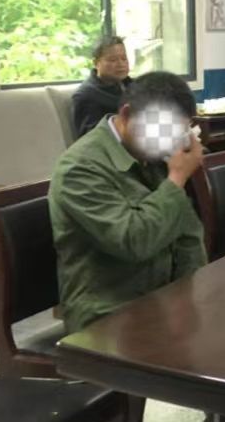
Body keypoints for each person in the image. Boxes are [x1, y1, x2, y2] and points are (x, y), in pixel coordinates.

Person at [50, 71, 206, 333]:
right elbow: (134, 242)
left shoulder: (149, 152)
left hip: (162, 300)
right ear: (126, 114)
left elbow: (187, 234)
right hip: (106, 315)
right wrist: (177, 177)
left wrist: (191, 294)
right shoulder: (79, 168)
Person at [72, 35, 133, 139]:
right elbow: (92, 139)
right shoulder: (87, 95)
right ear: (96, 63)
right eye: (112, 60)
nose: (121, 64)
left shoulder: (132, 85)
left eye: (124, 58)